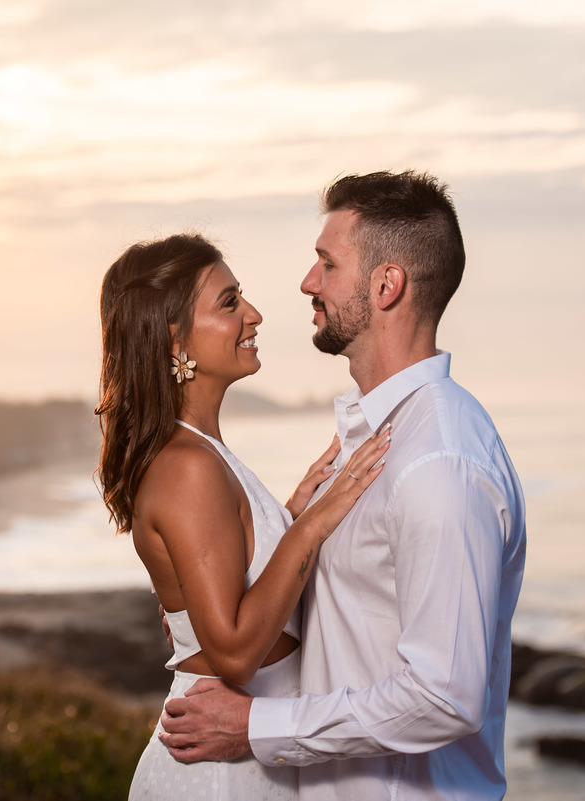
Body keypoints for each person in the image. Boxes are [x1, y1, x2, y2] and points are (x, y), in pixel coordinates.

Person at [158, 171, 528, 801]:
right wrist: (204, 591)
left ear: (386, 286)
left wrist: (257, 726)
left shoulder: (438, 462)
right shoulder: (374, 441)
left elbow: (444, 695)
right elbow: (345, 614)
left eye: (327, 264)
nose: (308, 282)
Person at [95, 233, 392, 800]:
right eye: (229, 302)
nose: (253, 314)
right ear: (173, 338)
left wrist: (287, 517)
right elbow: (234, 654)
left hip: (247, 759)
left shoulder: (200, 451)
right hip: (218, 775)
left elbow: (227, 579)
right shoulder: (188, 465)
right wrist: (312, 526)